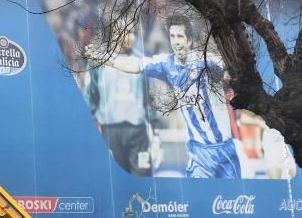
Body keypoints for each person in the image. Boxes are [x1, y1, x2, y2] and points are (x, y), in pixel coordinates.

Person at [100, 13, 240, 178]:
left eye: (180, 36)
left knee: (230, 198)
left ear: (189, 40)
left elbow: (230, 73)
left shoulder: (209, 61)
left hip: (225, 151)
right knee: (199, 198)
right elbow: (136, 65)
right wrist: (106, 58)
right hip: (198, 153)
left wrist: (228, 78)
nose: (176, 41)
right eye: (172, 36)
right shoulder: (167, 63)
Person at [83, 18, 154, 176]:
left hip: (138, 131)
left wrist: (154, 129)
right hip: (110, 131)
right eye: (123, 32)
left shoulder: (141, 62)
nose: (128, 37)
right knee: (113, 180)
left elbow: (150, 99)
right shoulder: (98, 62)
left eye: (132, 33)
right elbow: (90, 96)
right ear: (113, 34)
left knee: (142, 179)